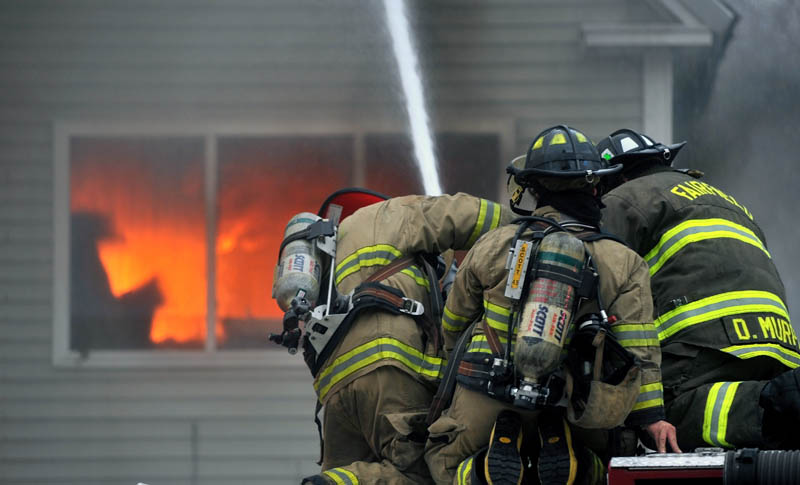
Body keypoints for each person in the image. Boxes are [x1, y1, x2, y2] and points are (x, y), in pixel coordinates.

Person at [424, 126, 676, 485]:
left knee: (442, 462)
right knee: (605, 465)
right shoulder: (624, 261)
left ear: (533, 189)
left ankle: (482, 470)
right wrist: (653, 418)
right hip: (576, 409)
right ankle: (580, 466)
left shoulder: (493, 244)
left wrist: (456, 382)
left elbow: (454, 323)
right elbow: (639, 350)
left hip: (485, 401)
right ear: (594, 187)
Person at [273, 189, 511, 484]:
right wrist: (531, 223)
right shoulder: (392, 214)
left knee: (353, 473)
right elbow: (466, 215)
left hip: (336, 390)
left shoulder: (327, 257)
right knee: (417, 472)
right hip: (387, 370)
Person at [598, 129, 800, 451]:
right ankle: (781, 398)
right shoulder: (724, 198)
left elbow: (593, 264)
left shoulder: (623, 198)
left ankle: (773, 406)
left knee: (664, 418)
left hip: (706, 343)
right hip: (780, 342)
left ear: (614, 177)